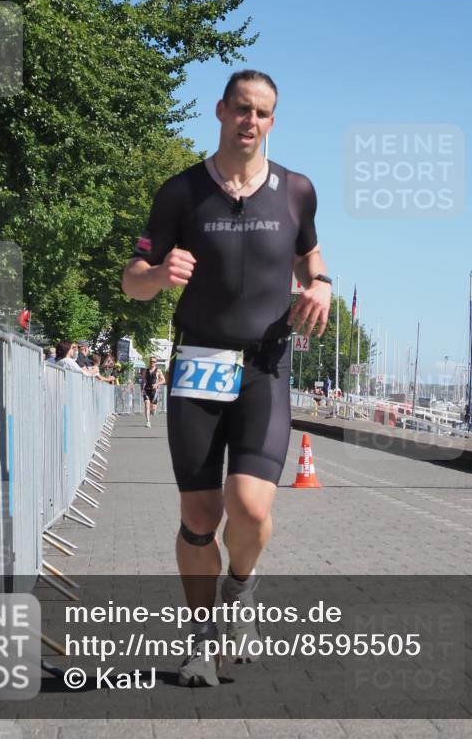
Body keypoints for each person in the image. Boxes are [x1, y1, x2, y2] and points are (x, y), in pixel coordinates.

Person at [121, 70, 329, 687]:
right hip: (199, 365)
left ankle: (237, 589)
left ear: (273, 121)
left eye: (263, 113)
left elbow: (309, 256)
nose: (251, 121)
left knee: (250, 507)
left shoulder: (296, 191)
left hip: (266, 365)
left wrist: (319, 284)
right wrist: (157, 275)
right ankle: (201, 637)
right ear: (220, 110)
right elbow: (132, 278)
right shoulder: (181, 193)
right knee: (200, 513)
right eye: (242, 108)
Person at [142, 357, 164, 427]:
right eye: (151, 361)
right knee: (146, 405)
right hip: (146, 390)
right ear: (149, 362)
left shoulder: (158, 370)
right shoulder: (146, 371)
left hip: (154, 391)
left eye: (154, 362)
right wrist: (141, 388)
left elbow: (163, 380)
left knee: (153, 409)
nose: (152, 363)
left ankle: (152, 411)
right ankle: (148, 422)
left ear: (156, 363)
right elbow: (143, 380)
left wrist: (157, 384)